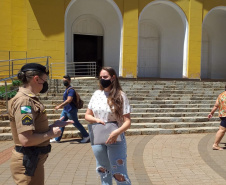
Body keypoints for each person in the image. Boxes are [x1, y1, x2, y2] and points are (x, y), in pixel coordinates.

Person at [8, 63, 74, 185]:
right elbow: (26, 140)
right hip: (28, 162)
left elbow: (33, 131)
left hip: (32, 160)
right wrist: (50, 134)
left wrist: (53, 126)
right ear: (36, 79)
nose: (45, 84)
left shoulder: (29, 99)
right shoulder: (24, 102)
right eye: (44, 81)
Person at [85, 67, 131, 185]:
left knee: (119, 173)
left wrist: (116, 133)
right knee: (103, 170)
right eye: (100, 77)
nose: (102, 79)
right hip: (98, 138)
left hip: (116, 138)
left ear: (113, 78)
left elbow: (127, 121)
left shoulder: (121, 95)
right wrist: (96, 119)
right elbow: (87, 115)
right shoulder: (96, 94)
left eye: (105, 77)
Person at [51, 75, 90, 143]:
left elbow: (69, 100)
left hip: (71, 110)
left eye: (66, 81)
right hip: (66, 110)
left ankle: (86, 136)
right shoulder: (67, 89)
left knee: (76, 123)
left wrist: (60, 106)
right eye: (63, 81)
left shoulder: (71, 90)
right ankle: (57, 139)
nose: (64, 82)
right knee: (61, 123)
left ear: (69, 81)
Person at [208, 86, 226, 150]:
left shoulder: (221, 95)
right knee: (222, 129)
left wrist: (211, 113)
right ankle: (215, 145)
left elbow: (216, 105)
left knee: (222, 129)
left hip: (222, 115)